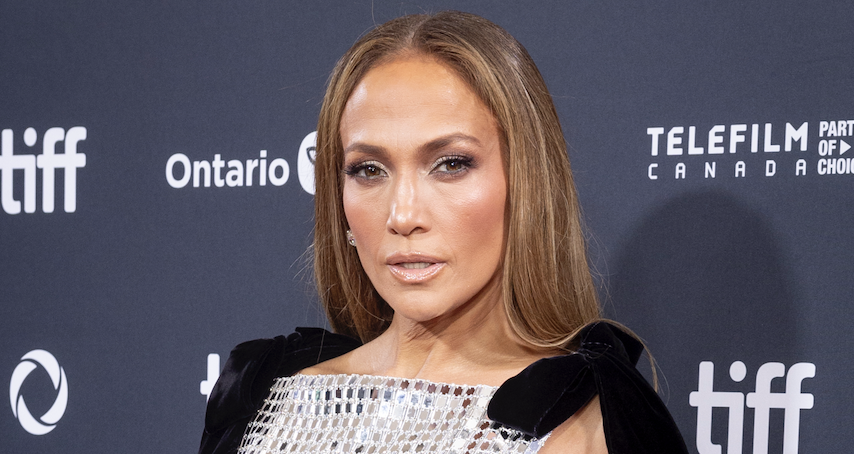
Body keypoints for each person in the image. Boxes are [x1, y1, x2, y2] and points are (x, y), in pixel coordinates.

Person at [199, 11, 688, 454]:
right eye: (369, 169)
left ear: (526, 184)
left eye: (451, 164)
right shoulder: (259, 398)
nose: (403, 214)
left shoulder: (587, 424)